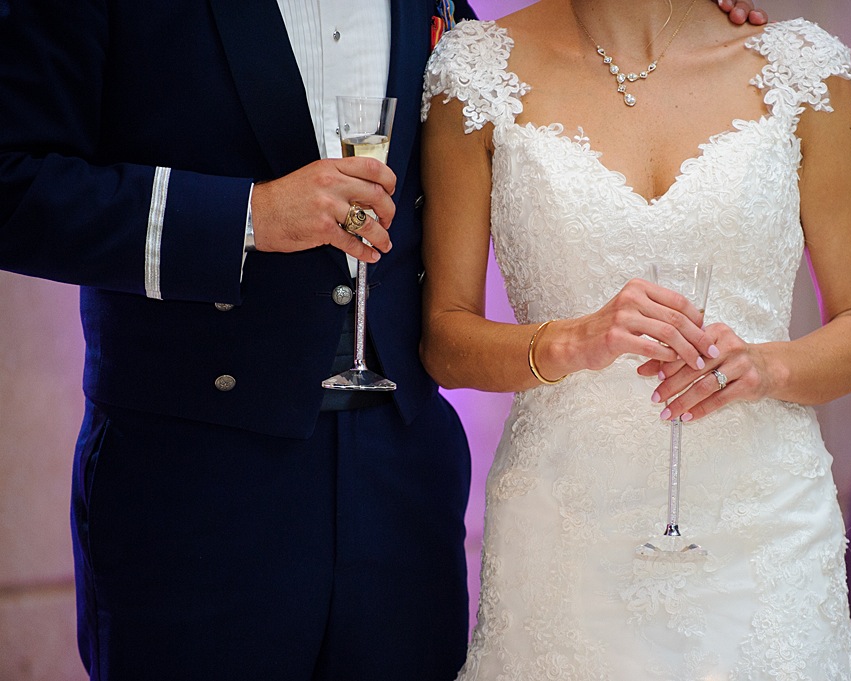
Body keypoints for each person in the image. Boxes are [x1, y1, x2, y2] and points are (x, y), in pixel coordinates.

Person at [0, 0, 765, 678]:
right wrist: (247, 215)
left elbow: (548, 76)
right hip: (192, 494)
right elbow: (13, 182)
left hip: (403, 494)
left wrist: (679, 16)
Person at [419, 0, 851, 678]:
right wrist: (567, 342)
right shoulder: (476, 70)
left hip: (764, 533)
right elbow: (443, 338)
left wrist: (766, 366)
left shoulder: (802, 70)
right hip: (566, 535)